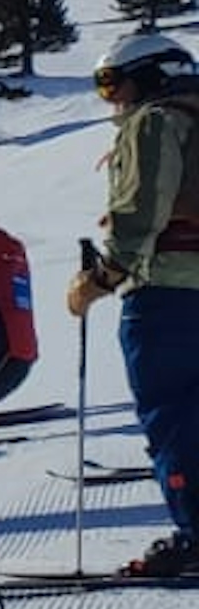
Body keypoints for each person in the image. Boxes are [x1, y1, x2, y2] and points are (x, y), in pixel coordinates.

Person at [69, 29, 199, 578]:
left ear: (150, 74)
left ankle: (195, 535)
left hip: (166, 292)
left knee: (171, 415)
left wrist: (103, 277)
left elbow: (141, 210)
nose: (113, 99)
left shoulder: (155, 120)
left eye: (112, 83)